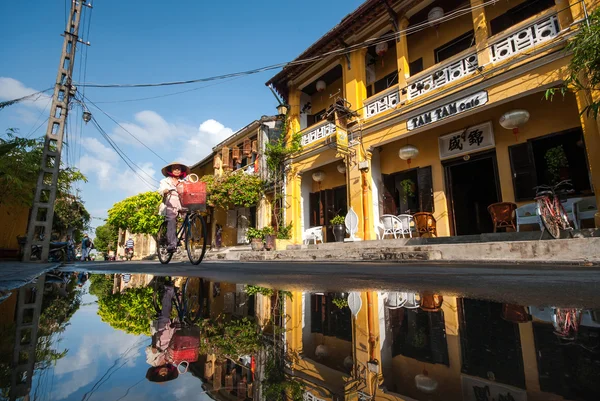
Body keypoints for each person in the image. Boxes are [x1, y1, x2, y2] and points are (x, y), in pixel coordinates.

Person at [157, 161, 190, 253]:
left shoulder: (183, 182)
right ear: (170, 170)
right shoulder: (165, 181)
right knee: (171, 220)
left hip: (182, 202)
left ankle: (184, 237)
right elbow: (160, 190)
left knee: (188, 217)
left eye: (178, 169)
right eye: (174, 168)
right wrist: (165, 190)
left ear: (181, 171)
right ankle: (171, 244)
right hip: (171, 201)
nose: (176, 170)